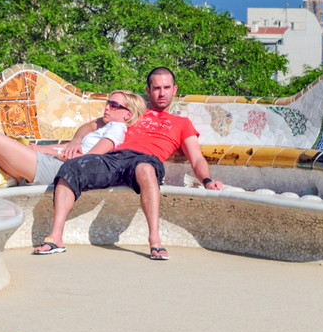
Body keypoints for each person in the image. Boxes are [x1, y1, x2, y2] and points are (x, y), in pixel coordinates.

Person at [33, 67, 223, 260]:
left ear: (174, 89)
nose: (162, 93)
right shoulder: (133, 112)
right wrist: (76, 140)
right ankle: (56, 237)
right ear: (148, 91)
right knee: (73, 167)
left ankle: (155, 240)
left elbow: (197, 158)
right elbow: (90, 126)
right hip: (113, 158)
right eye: (156, 88)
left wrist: (207, 180)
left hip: (145, 160)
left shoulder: (182, 123)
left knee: (146, 170)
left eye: (166, 87)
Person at [0, 90, 147, 198]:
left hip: (59, 169)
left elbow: (90, 160)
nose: (107, 107)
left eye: (113, 104)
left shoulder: (117, 129)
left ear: (127, 114)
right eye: (107, 102)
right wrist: (53, 145)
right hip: (53, 163)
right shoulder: (105, 125)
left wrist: (51, 152)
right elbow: (82, 138)